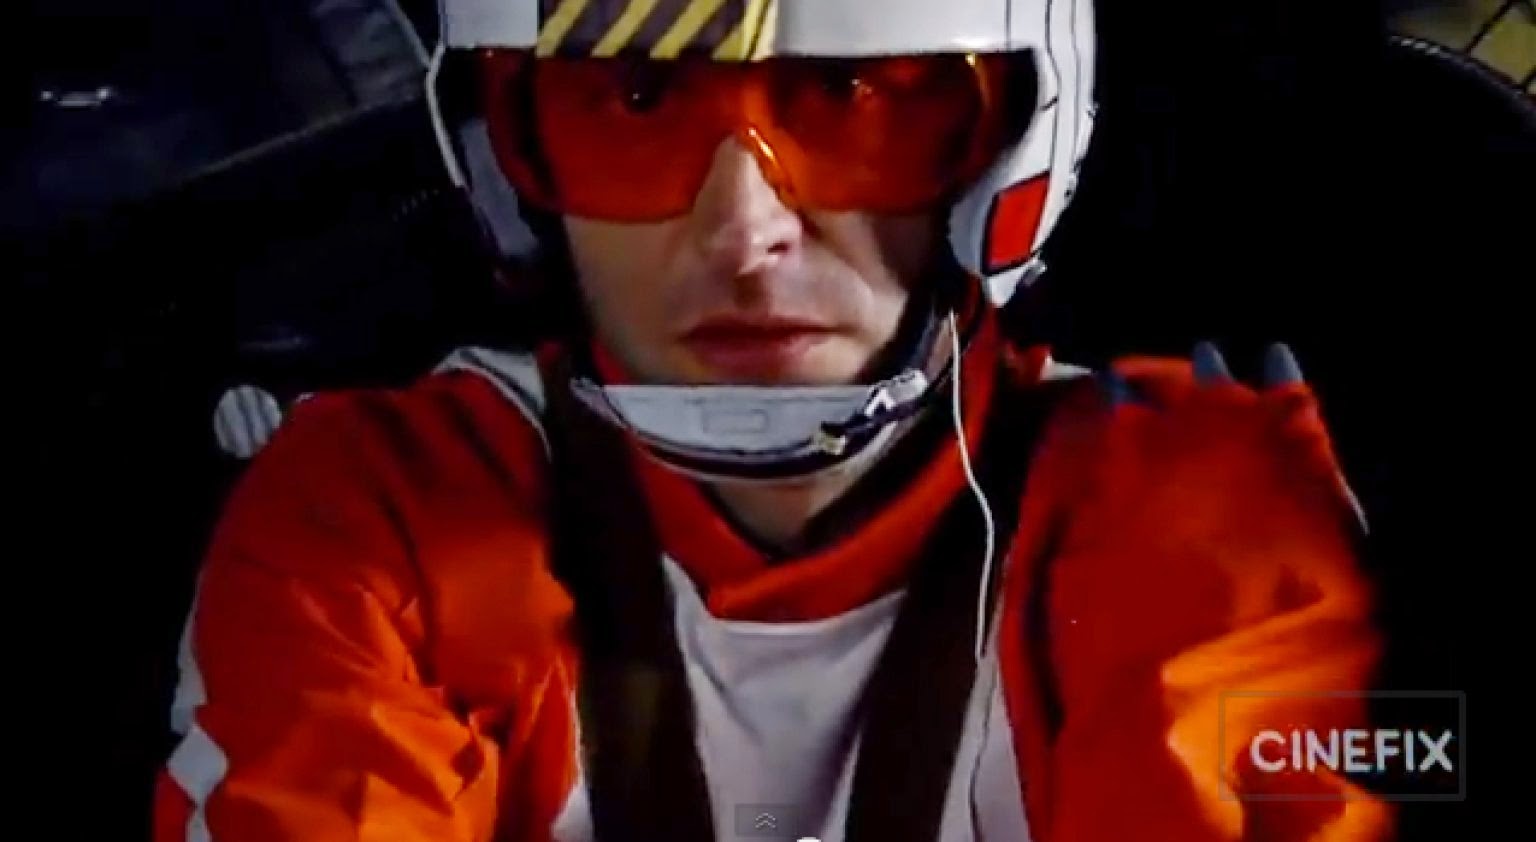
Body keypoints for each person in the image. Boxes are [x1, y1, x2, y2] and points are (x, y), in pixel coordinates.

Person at [153, 0, 1395, 839]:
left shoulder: (1207, 508)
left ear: (1013, 140)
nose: (743, 231)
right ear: (505, 162)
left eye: (851, 94)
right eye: (636, 100)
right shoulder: (375, 513)